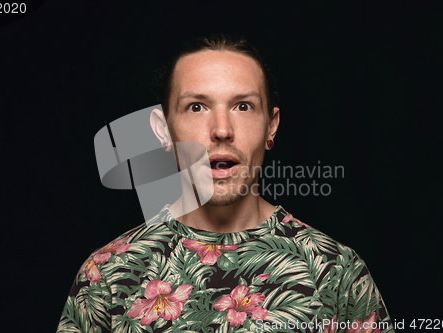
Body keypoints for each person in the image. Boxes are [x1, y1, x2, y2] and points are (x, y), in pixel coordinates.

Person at [57, 33, 395, 333]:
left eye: (243, 106)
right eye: (197, 107)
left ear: (271, 126)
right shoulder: (108, 275)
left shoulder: (336, 272)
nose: (221, 129)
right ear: (163, 130)